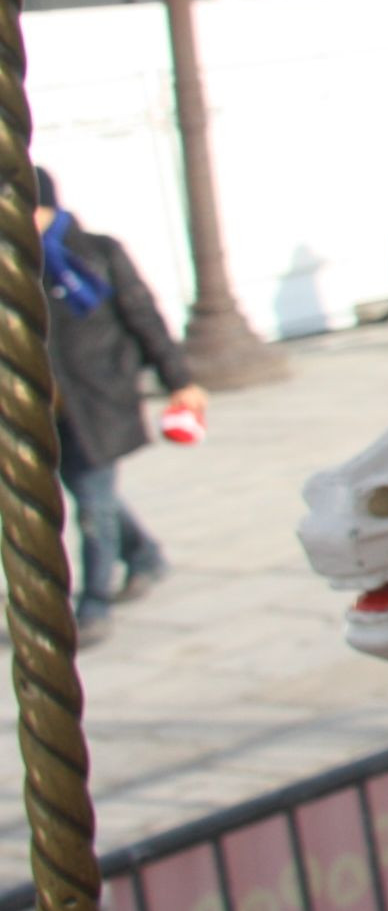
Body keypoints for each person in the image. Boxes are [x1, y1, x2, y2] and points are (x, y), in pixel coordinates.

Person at [36, 169, 201, 648]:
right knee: (93, 494)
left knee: (92, 504)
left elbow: (142, 314)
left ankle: (93, 605)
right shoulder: (15, 266)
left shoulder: (96, 254)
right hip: (52, 411)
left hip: (100, 397)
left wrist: (181, 381)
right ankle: (145, 554)